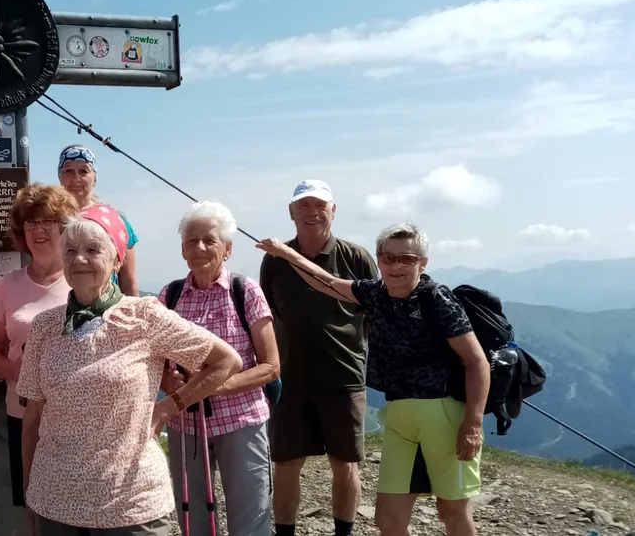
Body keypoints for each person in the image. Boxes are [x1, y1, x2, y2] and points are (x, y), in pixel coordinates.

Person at [17, 205, 243, 536]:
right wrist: (29, 494)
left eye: (93, 250)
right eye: (70, 251)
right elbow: (33, 416)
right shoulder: (44, 327)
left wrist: (168, 407)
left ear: (117, 261)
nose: (79, 259)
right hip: (54, 502)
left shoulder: (145, 317)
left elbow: (226, 362)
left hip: (131, 504)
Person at [256, 222, 490, 536]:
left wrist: (472, 424)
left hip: (444, 413)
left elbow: (476, 362)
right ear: (378, 259)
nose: (395, 266)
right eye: (388, 258)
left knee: (451, 511)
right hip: (399, 417)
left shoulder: (437, 298)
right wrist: (286, 253)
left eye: (406, 259)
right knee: (388, 520)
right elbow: (325, 281)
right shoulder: (376, 293)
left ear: (422, 262)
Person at [257, 179, 379, 536]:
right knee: (285, 463)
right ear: (291, 213)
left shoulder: (355, 258)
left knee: (345, 464)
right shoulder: (273, 261)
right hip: (290, 377)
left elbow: (375, 312)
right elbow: (266, 312)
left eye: (320, 205)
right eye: (304, 206)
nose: (312, 213)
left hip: (343, 375)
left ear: (333, 210)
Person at [158, 201, 281, 536]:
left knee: (250, 518)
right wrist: (170, 381)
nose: (199, 248)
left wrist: (210, 386)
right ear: (182, 249)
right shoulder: (169, 297)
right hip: (186, 425)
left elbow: (271, 367)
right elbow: (154, 363)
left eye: (209, 240)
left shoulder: (246, 291)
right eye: (191, 241)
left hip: (241, 420)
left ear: (227, 249)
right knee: (193, 519)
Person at [0, 182, 81, 520]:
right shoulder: (9, 284)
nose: (39, 229)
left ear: (65, 227)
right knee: (32, 505)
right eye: (31, 222)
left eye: (49, 221)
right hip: (21, 414)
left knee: (76, 505)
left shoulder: (84, 279)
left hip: (75, 416)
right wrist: (14, 374)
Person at [56, 144, 140, 295]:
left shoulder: (115, 219)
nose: (76, 178)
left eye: (83, 171)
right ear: (60, 177)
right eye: (68, 171)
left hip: (107, 305)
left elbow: (128, 280)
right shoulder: (51, 220)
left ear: (94, 177)